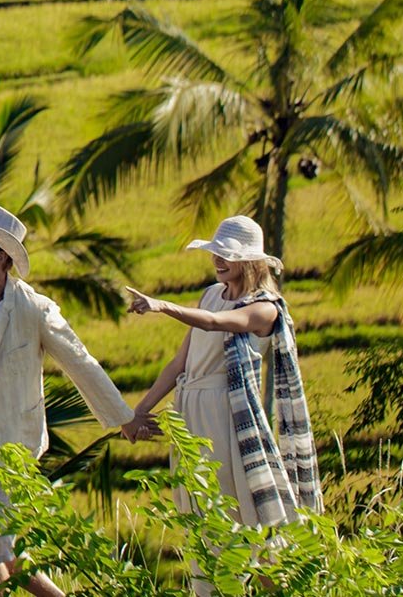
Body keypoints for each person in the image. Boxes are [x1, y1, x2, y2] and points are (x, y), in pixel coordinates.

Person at [0, 203, 147, 597]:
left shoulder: (31, 309)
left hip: (1, 453)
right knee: (7, 556)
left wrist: (123, 418)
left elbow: (79, 361)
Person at [122, 215, 323, 593]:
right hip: (191, 407)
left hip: (226, 415)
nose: (217, 260)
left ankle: (268, 585)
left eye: (226, 255)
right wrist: (140, 410)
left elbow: (217, 324)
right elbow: (181, 362)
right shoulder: (212, 293)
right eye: (216, 253)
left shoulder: (266, 308)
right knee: (198, 510)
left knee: (237, 513)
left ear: (250, 261)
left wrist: (163, 306)